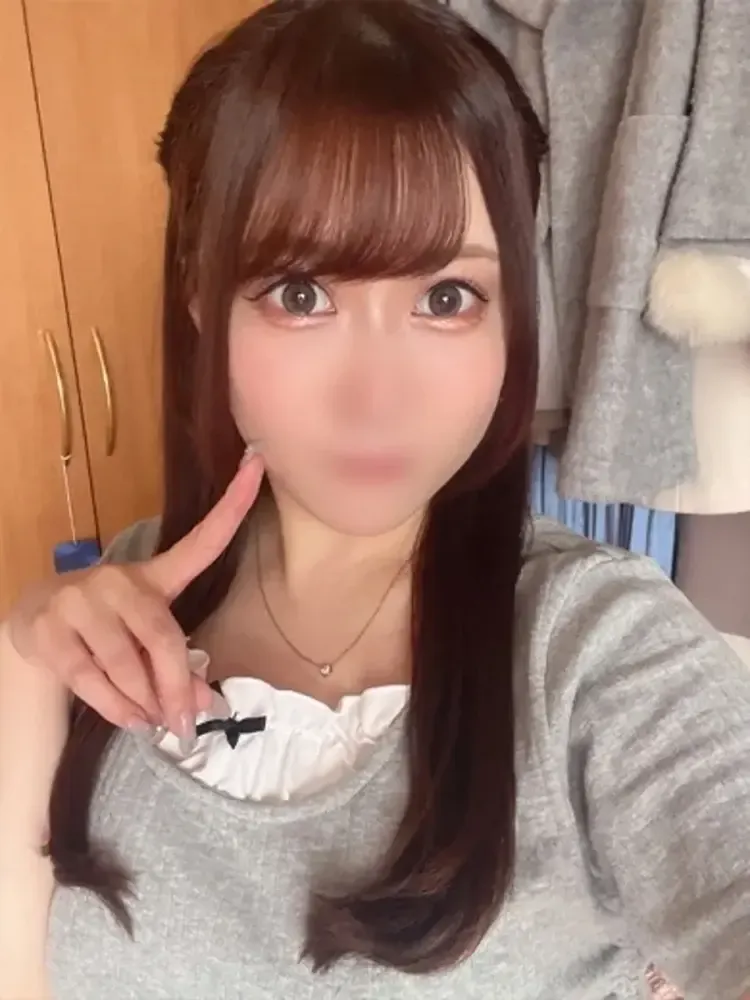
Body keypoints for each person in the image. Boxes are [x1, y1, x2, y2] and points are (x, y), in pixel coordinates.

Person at [0, 1, 748, 997]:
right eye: (301, 293)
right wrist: (25, 652)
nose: (379, 396)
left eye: (446, 297)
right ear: (200, 298)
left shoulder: (595, 649)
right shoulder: (109, 619)